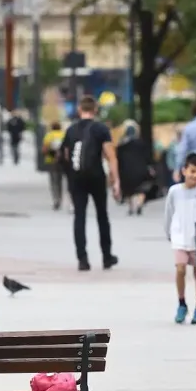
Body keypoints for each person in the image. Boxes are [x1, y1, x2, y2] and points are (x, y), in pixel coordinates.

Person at [62, 96, 120, 271]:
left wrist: (69, 180)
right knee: (102, 215)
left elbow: (66, 156)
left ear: (80, 110)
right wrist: (115, 180)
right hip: (96, 176)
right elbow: (111, 156)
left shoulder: (71, 130)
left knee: (79, 216)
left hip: (76, 178)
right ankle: (107, 256)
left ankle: (82, 258)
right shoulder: (101, 129)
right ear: (95, 110)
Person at [164, 153, 196, 325]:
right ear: (184, 171)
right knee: (180, 269)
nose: (195, 176)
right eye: (192, 171)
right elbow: (169, 213)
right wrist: (169, 232)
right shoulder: (174, 191)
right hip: (179, 237)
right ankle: (181, 303)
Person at [117, 121, 156, 216]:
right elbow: (147, 157)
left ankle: (131, 207)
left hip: (127, 171)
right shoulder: (141, 144)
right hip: (141, 169)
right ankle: (139, 204)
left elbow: (118, 159)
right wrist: (150, 167)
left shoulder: (121, 146)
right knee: (142, 189)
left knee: (129, 190)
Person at [42, 121, 66, 210]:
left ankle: (56, 199)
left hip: (51, 161)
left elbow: (44, 149)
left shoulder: (49, 135)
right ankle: (61, 197)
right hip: (62, 161)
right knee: (60, 181)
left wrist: (46, 155)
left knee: (53, 181)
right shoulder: (64, 135)